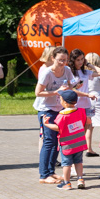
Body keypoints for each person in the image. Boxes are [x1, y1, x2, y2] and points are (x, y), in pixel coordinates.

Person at [35, 47, 78, 184]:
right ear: (53, 58)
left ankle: (51, 172)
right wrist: (57, 91)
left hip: (60, 109)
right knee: (49, 141)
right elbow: (38, 93)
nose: (63, 63)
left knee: (57, 142)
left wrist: (69, 94)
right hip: (46, 109)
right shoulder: (47, 73)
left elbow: (71, 86)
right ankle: (43, 175)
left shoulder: (67, 70)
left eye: (65, 60)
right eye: (60, 60)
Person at [42, 89, 89, 191]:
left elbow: (58, 128)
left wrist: (47, 124)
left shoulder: (62, 115)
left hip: (67, 144)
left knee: (66, 164)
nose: (59, 100)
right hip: (79, 142)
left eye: (60, 99)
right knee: (78, 162)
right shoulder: (81, 111)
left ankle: (67, 183)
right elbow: (87, 121)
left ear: (65, 102)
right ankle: (80, 179)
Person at [69, 49, 100, 156]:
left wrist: (89, 64)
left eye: (82, 59)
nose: (80, 62)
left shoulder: (85, 72)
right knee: (75, 134)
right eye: (78, 60)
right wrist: (86, 95)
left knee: (83, 134)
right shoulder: (69, 73)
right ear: (73, 61)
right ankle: (72, 160)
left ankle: (78, 159)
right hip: (75, 105)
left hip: (86, 106)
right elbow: (70, 89)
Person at [33, 46, 58, 159]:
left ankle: (48, 157)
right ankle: (43, 156)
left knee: (49, 135)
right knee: (44, 135)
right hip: (44, 105)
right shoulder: (44, 69)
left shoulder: (51, 68)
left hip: (52, 104)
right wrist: (57, 91)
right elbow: (40, 90)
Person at [83, 52, 100, 157]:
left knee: (89, 125)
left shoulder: (84, 73)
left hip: (87, 98)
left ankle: (88, 148)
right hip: (98, 99)